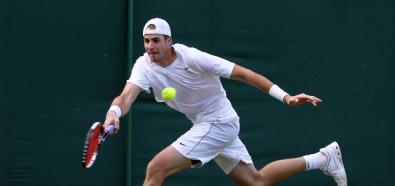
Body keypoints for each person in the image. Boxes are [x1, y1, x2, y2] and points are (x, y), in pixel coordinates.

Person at [103, 18, 347, 186]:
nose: (150, 47)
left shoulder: (193, 57)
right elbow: (126, 96)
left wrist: (285, 97)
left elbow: (244, 74)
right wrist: (114, 112)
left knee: (155, 168)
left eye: (156, 40)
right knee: (255, 181)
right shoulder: (144, 65)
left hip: (218, 122)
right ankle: (324, 158)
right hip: (209, 124)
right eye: (147, 41)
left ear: (169, 41)